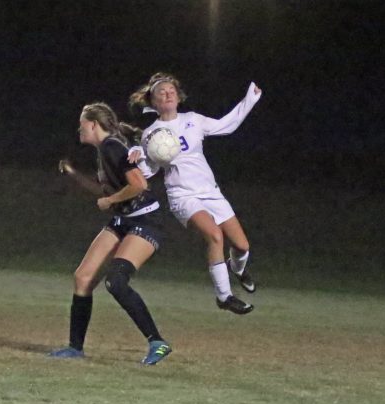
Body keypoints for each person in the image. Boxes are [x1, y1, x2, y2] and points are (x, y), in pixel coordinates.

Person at [128, 72, 262, 315]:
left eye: (171, 91)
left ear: (178, 97)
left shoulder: (194, 120)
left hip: (210, 192)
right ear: (154, 102)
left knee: (242, 245)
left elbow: (226, 126)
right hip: (182, 195)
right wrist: (137, 155)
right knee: (214, 235)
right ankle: (224, 296)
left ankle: (238, 269)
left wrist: (249, 100)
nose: (167, 94)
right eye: (161, 93)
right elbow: (150, 170)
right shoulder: (151, 134)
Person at [49, 102, 171, 365]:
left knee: (115, 282)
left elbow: (139, 185)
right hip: (123, 219)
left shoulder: (113, 147)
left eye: (82, 123)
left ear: (93, 124)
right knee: (83, 277)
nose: (79, 128)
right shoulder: (104, 151)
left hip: (146, 220)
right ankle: (75, 348)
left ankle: (157, 342)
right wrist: (73, 174)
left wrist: (111, 200)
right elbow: (105, 195)